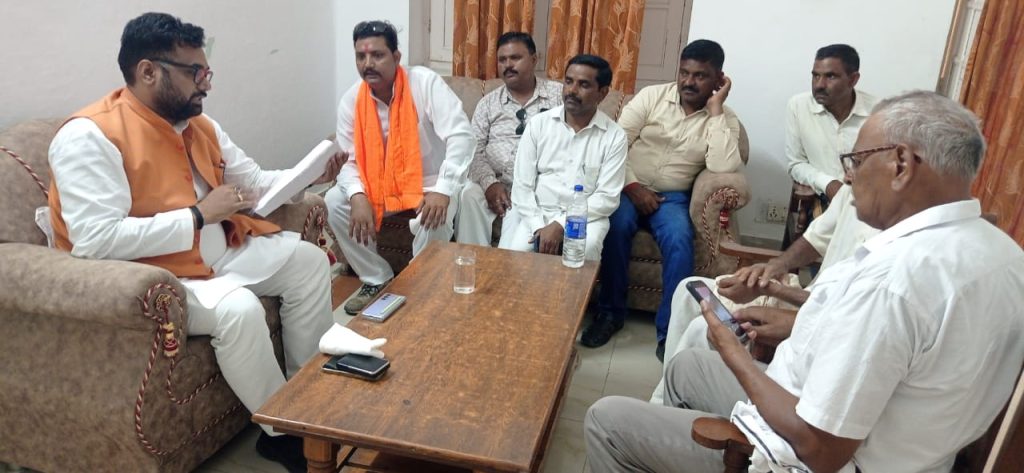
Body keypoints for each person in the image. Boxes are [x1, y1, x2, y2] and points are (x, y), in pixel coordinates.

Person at [584, 91, 1024, 472]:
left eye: (856, 160)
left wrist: (733, 352)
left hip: (804, 453)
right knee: (685, 367)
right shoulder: (1005, 255)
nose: (847, 176)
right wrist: (803, 321)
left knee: (606, 421)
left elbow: (819, 449)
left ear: (902, 164)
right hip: (876, 432)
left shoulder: (893, 281)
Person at [46, 13, 340, 472]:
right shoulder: (89, 136)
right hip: (160, 276)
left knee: (307, 261)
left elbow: (257, 184)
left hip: (220, 255)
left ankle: (308, 405)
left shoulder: (199, 124)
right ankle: (282, 433)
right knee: (239, 310)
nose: (206, 84)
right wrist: (199, 215)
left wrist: (311, 175)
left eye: (207, 71)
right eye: (194, 73)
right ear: (148, 72)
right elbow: (95, 240)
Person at [582, 39, 744, 357]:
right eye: (684, 72)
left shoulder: (725, 118)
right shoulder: (651, 97)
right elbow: (614, 145)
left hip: (672, 197)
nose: (688, 81)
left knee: (680, 240)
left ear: (718, 79)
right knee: (615, 227)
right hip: (627, 186)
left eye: (700, 75)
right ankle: (609, 314)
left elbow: (723, 166)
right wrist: (633, 187)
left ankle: (669, 332)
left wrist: (715, 110)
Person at [648, 183, 878, 404]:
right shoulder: (852, 191)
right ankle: (667, 395)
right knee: (688, 288)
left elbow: (842, 312)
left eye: (857, 162)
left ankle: (667, 402)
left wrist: (774, 289)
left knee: (701, 328)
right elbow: (815, 239)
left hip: (814, 317)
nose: (846, 176)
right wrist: (774, 267)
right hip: (805, 298)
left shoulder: (890, 255)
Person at [325, 21, 475, 314]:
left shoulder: (424, 83)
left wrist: (443, 190)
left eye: (377, 55)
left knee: (435, 215)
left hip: (430, 182)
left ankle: (421, 284)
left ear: (396, 57)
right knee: (334, 201)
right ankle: (376, 277)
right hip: (380, 185)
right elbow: (347, 159)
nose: (368, 64)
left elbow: (461, 136)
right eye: (360, 56)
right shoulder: (351, 101)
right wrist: (357, 195)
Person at [498, 54, 626, 259]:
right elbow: (522, 186)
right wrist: (539, 227)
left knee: (586, 250)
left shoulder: (614, 136)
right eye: (568, 81)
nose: (572, 91)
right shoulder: (539, 124)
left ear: (602, 93)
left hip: (585, 218)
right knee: (516, 257)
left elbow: (607, 197)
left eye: (583, 84)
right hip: (538, 212)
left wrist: (561, 224)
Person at [456, 32, 563, 247]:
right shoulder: (488, 103)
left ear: (534, 59)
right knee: (468, 193)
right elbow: (473, 150)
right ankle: (472, 260)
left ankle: (507, 263)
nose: (508, 65)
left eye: (515, 58)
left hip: (537, 185)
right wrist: (490, 183)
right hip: (496, 180)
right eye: (502, 60)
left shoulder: (558, 96)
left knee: (515, 237)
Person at [787, 44, 878, 202]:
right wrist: (828, 184)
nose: (819, 85)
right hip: (823, 198)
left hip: (868, 200)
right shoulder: (798, 106)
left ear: (853, 79)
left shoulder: (878, 112)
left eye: (830, 76)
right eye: (816, 76)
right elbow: (796, 163)